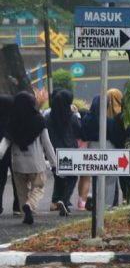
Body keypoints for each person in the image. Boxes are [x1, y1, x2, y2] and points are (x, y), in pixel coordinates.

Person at [0, 91, 57, 224]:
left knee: (22, 192)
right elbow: (47, 144)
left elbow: (5, 143)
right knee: (38, 187)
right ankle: (30, 205)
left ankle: (24, 211)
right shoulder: (39, 120)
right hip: (36, 163)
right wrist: (54, 163)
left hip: (18, 163)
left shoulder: (12, 122)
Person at [78, 89, 127, 210]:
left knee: (95, 179)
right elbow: (116, 136)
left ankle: (95, 202)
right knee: (109, 180)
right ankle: (107, 205)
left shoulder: (86, 120)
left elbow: (82, 134)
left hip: (92, 150)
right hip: (108, 149)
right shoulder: (109, 121)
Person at [44, 88, 80, 216]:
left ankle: (55, 200)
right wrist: (78, 115)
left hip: (54, 151)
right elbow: (79, 131)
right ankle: (64, 200)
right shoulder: (72, 117)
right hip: (70, 151)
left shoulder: (48, 117)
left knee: (58, 176)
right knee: (72, 177)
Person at [0, 96, 18, 215]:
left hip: (1, 154)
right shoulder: (14, 120)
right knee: (17, 179)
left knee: (0, 179)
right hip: (14, 152)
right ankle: (17, 206)